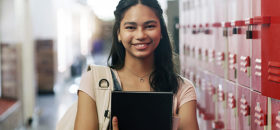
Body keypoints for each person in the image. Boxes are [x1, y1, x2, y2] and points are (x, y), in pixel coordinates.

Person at [74, 0, 199, 129]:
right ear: (118, 33)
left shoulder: (183, 90)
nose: (140, 35)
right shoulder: (94, 82)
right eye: (131, 27)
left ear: (161, 31)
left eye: (150, 26)